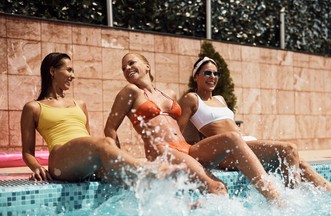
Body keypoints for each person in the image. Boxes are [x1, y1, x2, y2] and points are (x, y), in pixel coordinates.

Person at [104, 53, 281, 203]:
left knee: (232, 138)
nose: (127, 68)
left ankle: (273, 196)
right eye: (123, 68)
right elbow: (110, 129)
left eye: (131, 63)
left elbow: (181, 127)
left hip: (186, 148)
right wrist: (120, 165)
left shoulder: (168, 94)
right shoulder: (130, 91)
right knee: (217, 187)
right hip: (162, 151)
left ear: (147, 66)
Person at [178, 56, 331, 191]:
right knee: (289, 149)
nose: (212, 76)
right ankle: (293, 198)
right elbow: (178, 131)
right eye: (207, 73)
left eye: (215, 73)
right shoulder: (192, 98)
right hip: (227, 151)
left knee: (300, 164)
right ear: (196, 76)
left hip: (245, 143)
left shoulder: (220, 99)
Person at [21, 52, 172, 183]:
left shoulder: (80, 104)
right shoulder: (33, 107)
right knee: (105, 142)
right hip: (60, 161)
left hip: (83, 160)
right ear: (53, 71)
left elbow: (86, 138)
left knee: (124, 181)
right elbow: (27, 152)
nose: (73, 76)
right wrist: (36, 167)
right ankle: (147, 169)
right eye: (69, 70)